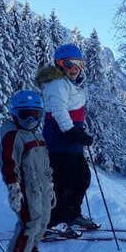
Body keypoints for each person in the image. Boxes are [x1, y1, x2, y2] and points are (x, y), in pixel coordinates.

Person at [35, 44, 98, 231]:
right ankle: (52, 221)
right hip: (59, 141)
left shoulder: (71, 85)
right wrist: (73, 132)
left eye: (78, 64)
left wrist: (78, 132)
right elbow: (59, 111)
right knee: (62, 183)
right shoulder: (57, 84)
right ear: (59, 65)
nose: (74, 68)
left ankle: (72, 214)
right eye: (68, 64)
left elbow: (73, 111)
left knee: (81, 178)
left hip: (71, 142)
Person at [0, 90, 55, 252]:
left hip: (41, 188)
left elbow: (46, 165)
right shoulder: (13, 135)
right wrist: (13, 188)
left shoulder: (36, 135)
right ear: (15, 114)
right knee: (29, 224)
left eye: (35, 115)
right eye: (25, 115)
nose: (30, 120)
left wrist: (50, 187)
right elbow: (8, 163)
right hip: (25, 189)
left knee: (43, 220)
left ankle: (29, 250)